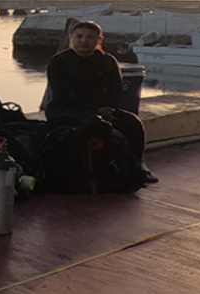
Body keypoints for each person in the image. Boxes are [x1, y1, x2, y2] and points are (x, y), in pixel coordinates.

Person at [45, 20, 157, 184]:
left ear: (98, 40)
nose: (84, 41)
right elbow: (62, 93)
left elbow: (115, 91)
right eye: (79, 36)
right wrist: (94, 111)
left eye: (90, 37)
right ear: (71, 38)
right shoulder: (59, 61)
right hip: (66, 109)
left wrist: (108, 108)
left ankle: (138, 165)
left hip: (102, 109)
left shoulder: (107, 61)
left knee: (132, 123)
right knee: (93, 125)